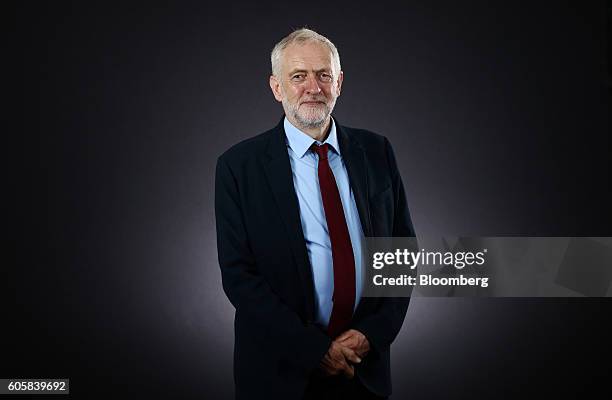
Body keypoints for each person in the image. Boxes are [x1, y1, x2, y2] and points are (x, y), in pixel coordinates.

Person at [215, 28, 415, 400]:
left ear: (339, 83)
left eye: (323, 75)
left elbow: (402, 254)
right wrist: (314, 349)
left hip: (362, 368)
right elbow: (239, 277)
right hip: (279, 373)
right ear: (276, 88)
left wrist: (372, 334)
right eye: (298, 76)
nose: (313, 86)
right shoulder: (238, 167)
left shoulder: (377, 152)